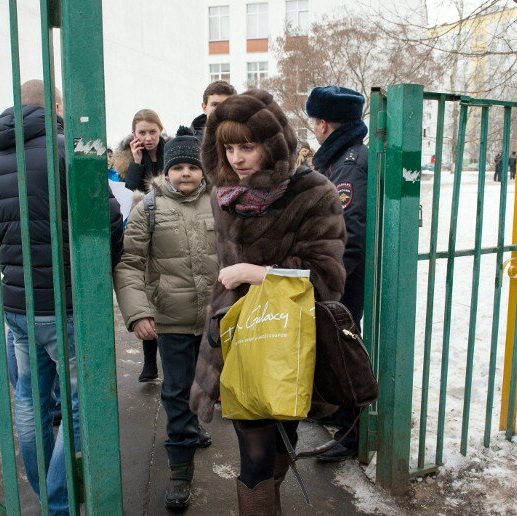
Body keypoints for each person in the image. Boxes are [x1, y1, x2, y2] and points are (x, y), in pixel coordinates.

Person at [189, 90, 347, 514]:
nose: (237, 158)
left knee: (284, 436)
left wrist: (257, 274)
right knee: (254, 452)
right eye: (228, 148)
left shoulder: (313, 192)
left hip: (291, 341)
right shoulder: (225, 194)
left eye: (248, 146)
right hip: (239, 337)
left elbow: (328, 281)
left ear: (272, 145)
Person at [0, 79, 124, 514]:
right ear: (57, 104)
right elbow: (108, 223)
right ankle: (60, 503)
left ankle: (45, 492)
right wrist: (93, 274)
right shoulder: (69, 151)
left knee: (29, 400)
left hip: (18, 308)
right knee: (80, 408)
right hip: (67, 306)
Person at [114, 127, 217, 510]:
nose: (186, 173)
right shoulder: (149, 208)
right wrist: (139, 312)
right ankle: (180, 470)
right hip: (171, 321)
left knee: (206, 386)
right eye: (179, 167)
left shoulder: (220, 204)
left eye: (193, 166)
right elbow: (130, 264)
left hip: (215, 320)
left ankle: (192, 426)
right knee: (175, 390)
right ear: (167, 172)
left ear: (203, 171)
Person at [306, 85, 369, 464]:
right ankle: (343, 421)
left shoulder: (348, 163)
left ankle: (351, 433)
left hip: (343, 279)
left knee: (345, 352)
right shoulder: (339, 159)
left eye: (315, 122)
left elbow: (350, 231)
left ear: (324, 124)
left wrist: (332, 283)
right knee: (339, 350)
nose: (314, 128)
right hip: (338, 275)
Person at [114, 109, 166, 382]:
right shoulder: (125, 160)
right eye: (141, 132)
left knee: (168, 294)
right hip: (141, 232)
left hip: (169, 228)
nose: (147, 138)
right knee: (146, 296)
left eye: (152, 131)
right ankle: (149, 362)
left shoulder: (173, 151)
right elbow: (127, 195)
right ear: (134, 134)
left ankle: (170, 358)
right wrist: (136, 162)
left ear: (160, 130)